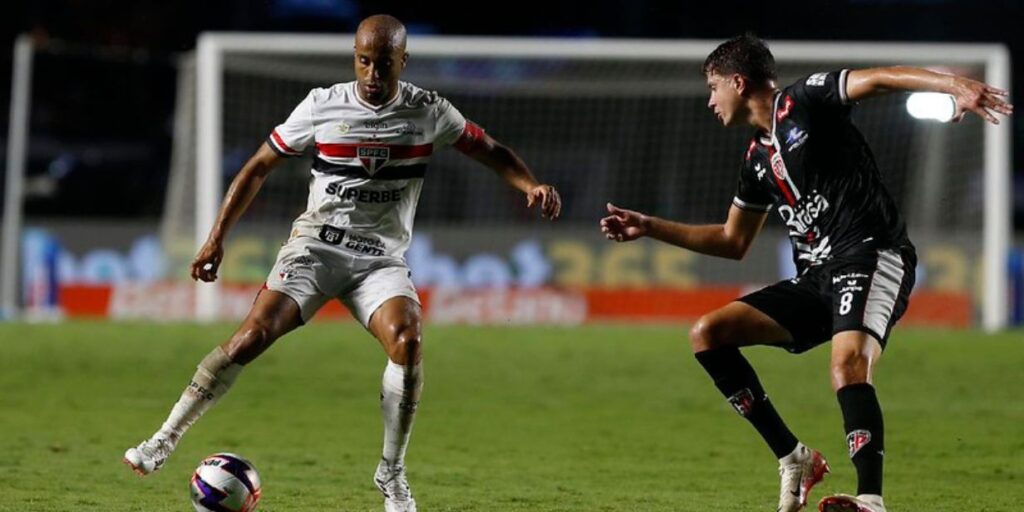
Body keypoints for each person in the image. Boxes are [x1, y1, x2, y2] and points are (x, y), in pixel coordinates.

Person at [124, 14, 562, 512]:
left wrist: (531, 184)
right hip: (316, 248)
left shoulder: (429, 111)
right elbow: (258, 166)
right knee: (250, 338)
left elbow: (490, 150)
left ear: (404, 61)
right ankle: (164, 439)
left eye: (384, 65)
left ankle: (391, 475)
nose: (373, 75)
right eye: (364, 62)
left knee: (409, 340)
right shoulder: (321, 105)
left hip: (380, 261)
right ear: (354, 57)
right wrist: (215, 238)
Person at [600, 34, 1011, 512]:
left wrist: (953, 84)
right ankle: (794, 458)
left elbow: (877, 78)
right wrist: (650, 227)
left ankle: (871, 500)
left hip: (871, 253)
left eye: (714, 87)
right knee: (708, 333)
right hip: (817, 277)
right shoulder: (756, 159)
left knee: (848, 364)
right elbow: (734, 242)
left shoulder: (805, 99)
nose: (710, 101)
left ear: (738, 81)